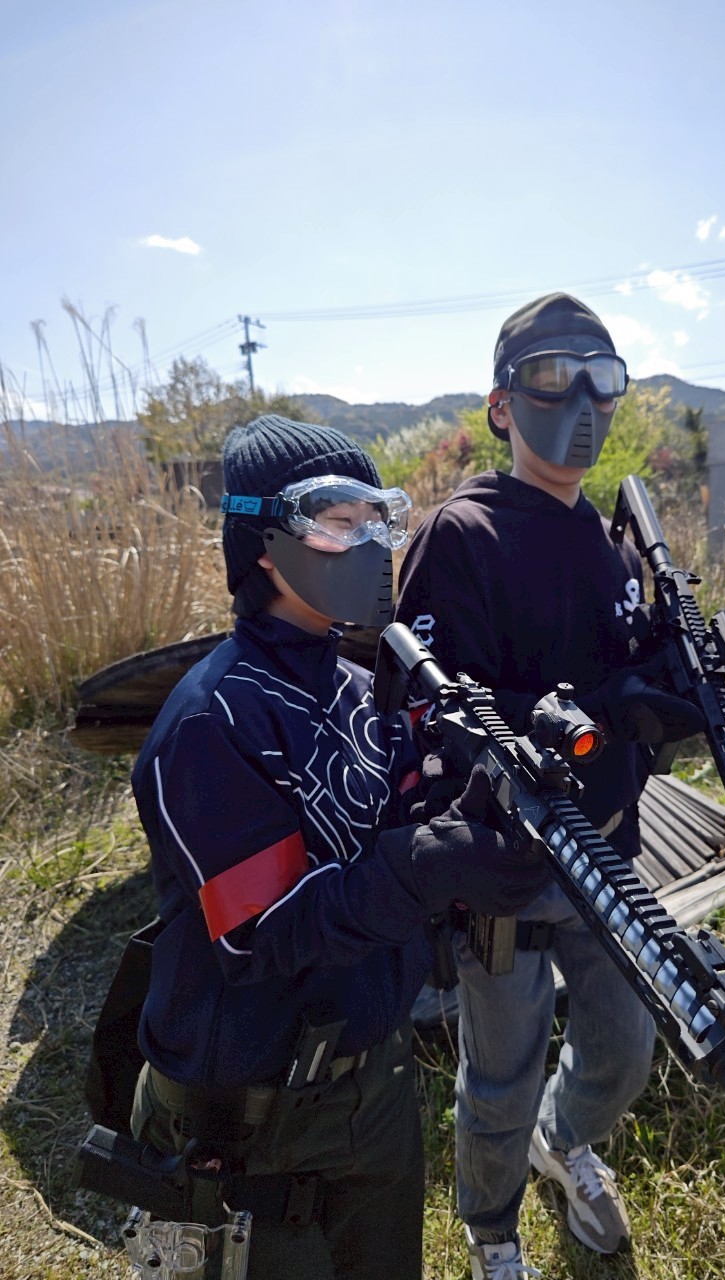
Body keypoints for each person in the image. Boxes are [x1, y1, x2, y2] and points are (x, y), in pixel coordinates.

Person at [127, 415, 550, 1280]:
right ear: (263, 544)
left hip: (372, 1091)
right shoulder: (213, 720)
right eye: (336, 521)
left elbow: (399, 819)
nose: (366, 545)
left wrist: (480, 807)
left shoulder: (358, 686)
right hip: (245, 1125)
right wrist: (423, 865)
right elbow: (262, 933)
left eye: (375, 521)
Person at [395, 294, 704, 1279]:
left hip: (609, 848)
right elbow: (439, 709)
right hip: (509, 863)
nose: (581, 403)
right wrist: (604, 707)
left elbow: (629, 680)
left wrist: (671, 694)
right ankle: (491, 1228)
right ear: (501, 405)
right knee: (501, 1073)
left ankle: (565, 1140)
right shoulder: (461, 534)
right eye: (551, 378)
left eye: (602, 381)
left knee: (625, 1044)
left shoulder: (611, 543)